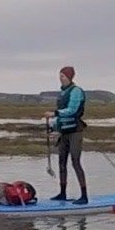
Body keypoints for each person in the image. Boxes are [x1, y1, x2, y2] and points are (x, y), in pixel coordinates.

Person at [43, 65, 87, 203]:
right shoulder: (62, 93)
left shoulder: (76, 91)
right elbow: (61, 116)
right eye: (60, 76)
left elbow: (72, 110)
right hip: (64, 132)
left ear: (69, 77)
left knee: (75, 162)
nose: (60, 79)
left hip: (75, 132)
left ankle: (84, 196)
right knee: (62, 163)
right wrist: (53, 127)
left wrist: (55, 113)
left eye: (62, 76)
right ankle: (62, 194)